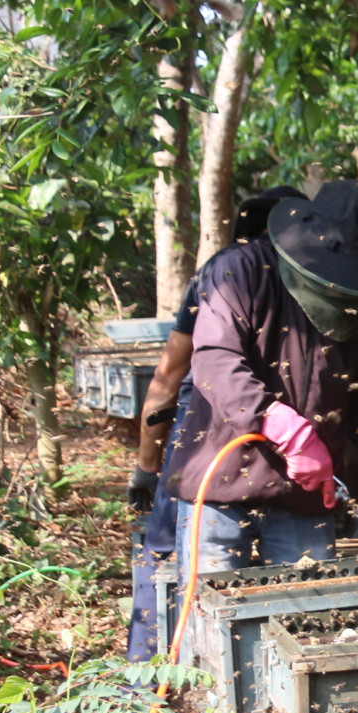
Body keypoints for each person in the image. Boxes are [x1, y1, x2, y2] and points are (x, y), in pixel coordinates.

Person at [164, 178, 358, 576]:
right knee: (211, 616)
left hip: (304, 495)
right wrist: (288, 429)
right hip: (221, 482)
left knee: (304, 616)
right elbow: (215, 360)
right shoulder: (238, 271)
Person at [125, 186, 302, 661]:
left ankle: (147, 682)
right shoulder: (313, 277)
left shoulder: (219, 274)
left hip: (209, 456)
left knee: (165, 561)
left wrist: (146, 467)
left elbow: (165, 380)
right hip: (290, 464)